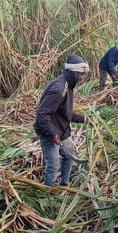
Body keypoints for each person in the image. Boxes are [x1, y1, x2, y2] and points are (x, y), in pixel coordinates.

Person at [33, 53, 89, 187]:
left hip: (60, 129)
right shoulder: (59, 88)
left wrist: (83, 119)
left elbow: (65, 112)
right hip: (49, 131)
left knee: (69, 157)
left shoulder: (67, 85)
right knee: (53, 164)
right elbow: (42, 113)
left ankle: (64, 184)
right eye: (81, 74)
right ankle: (49, 192)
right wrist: (52, 134)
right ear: (73, 73)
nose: (81, 78)